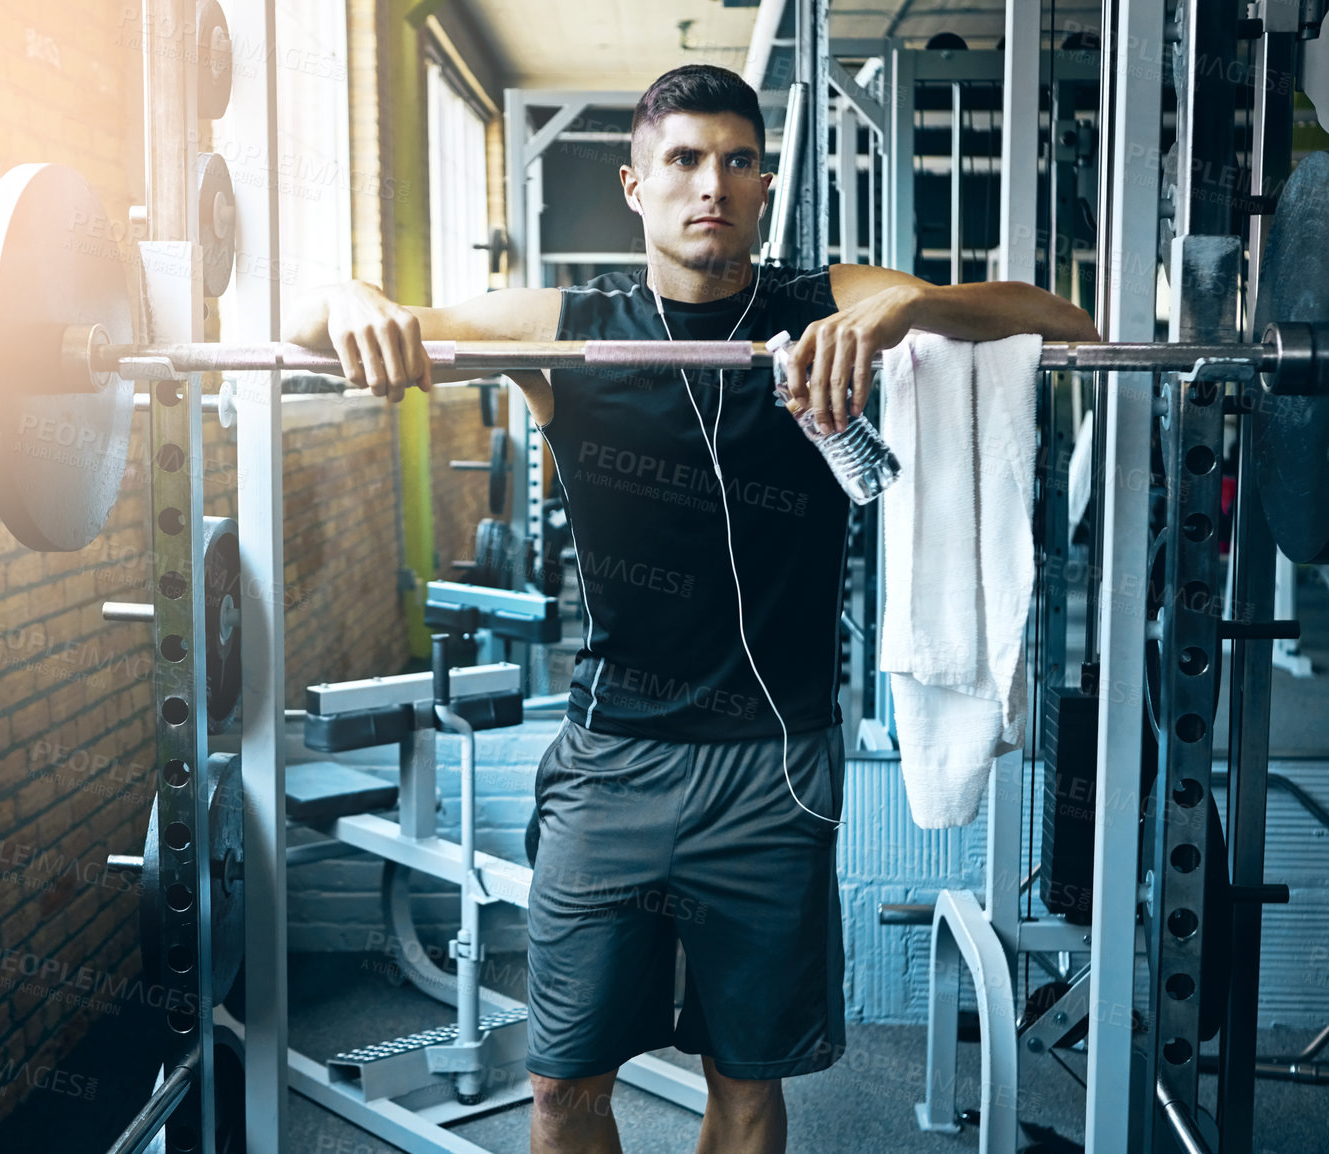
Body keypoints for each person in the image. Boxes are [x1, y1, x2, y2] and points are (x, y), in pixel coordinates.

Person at [286, 63, 1097, 1154]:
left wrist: (913, 305)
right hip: (613, 758)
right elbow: (311, 327)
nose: (710, 182)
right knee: (563, 1083)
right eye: (683, 159)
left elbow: (1062, 318)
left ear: (765, 184)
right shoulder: (569, 326)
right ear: (636, 185)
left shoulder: (831, 306)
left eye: (737, 160)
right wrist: (346, 297)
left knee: (747, 1084)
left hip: (775, 762)